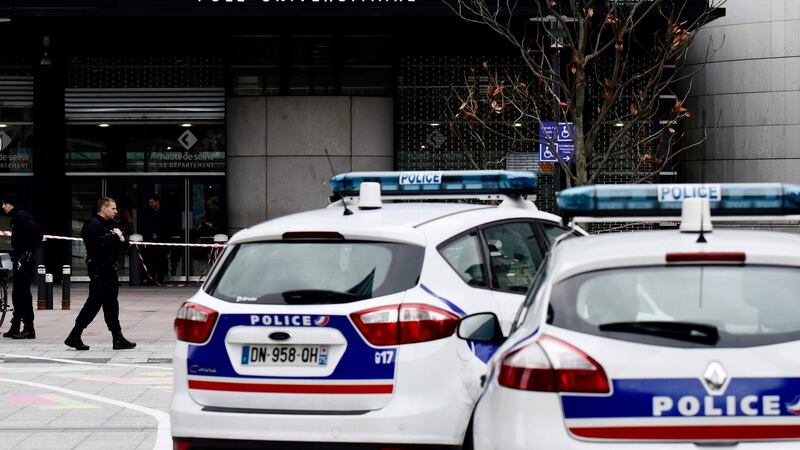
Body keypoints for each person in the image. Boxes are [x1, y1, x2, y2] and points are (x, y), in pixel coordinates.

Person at [64, 197, 136, 351]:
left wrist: (120, 238)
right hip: (99, 271)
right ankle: (75, 335)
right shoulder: (92, 225)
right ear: (103, 208)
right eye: (113, 208)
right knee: (94, 304)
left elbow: (125, 247)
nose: (116, 211)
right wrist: (117, 238)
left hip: (110, 270)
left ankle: (117, 337)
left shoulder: (112, 224)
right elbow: (100, 247)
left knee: (111, 304)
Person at [1, 193, 43, 339]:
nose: (3, 206)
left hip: (24, 259)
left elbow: (37, 232)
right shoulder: (17, 216)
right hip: (21, 257)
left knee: (23, 293)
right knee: (18, 293)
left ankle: (28, 328)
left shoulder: (20, 217)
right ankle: (15, 325)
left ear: (11, 203)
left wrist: (28, 251)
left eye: (5, 203)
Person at [146, 193, 168, 284]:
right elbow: (146, 225)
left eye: (152, 202)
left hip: (161, 241)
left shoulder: (164, 213)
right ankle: (151, 279)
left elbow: (166, 226)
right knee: (151, 261)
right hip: (151, 241)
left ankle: (160, 279)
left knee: (161, 261)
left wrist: (158, 234)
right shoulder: (149, 213)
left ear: (157, 202)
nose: (150, 204)